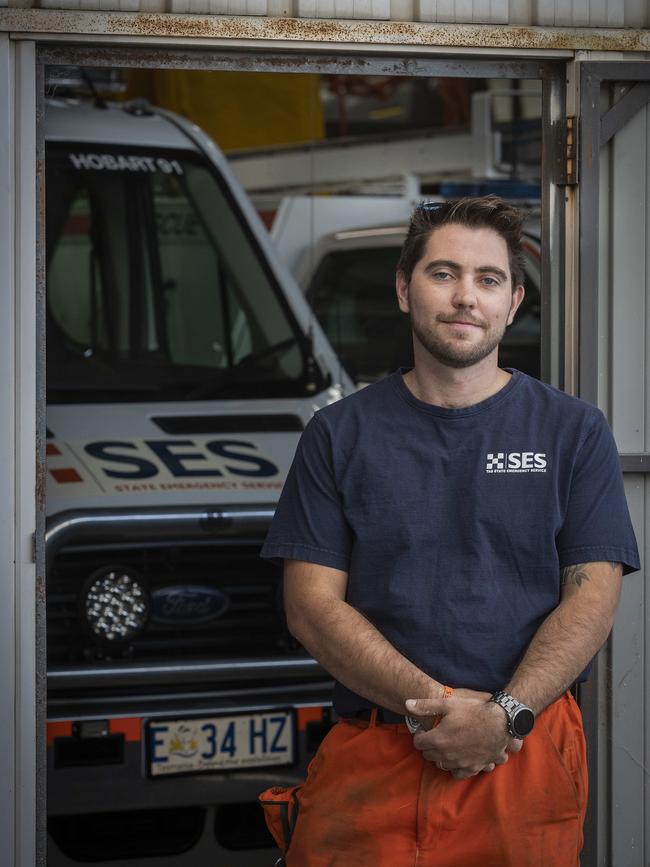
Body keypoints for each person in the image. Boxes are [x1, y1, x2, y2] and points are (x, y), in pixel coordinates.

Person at [258, 196, 639, 866]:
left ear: (515, 301)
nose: (467, 296)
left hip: (522, 753)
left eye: (489, 279)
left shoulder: (572, 431)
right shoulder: (339, 435)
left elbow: (592, 596)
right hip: (377, 753)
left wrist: (502, 716)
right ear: (405, 289)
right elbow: (310, 607)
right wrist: (438, 710)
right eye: (444, 274)